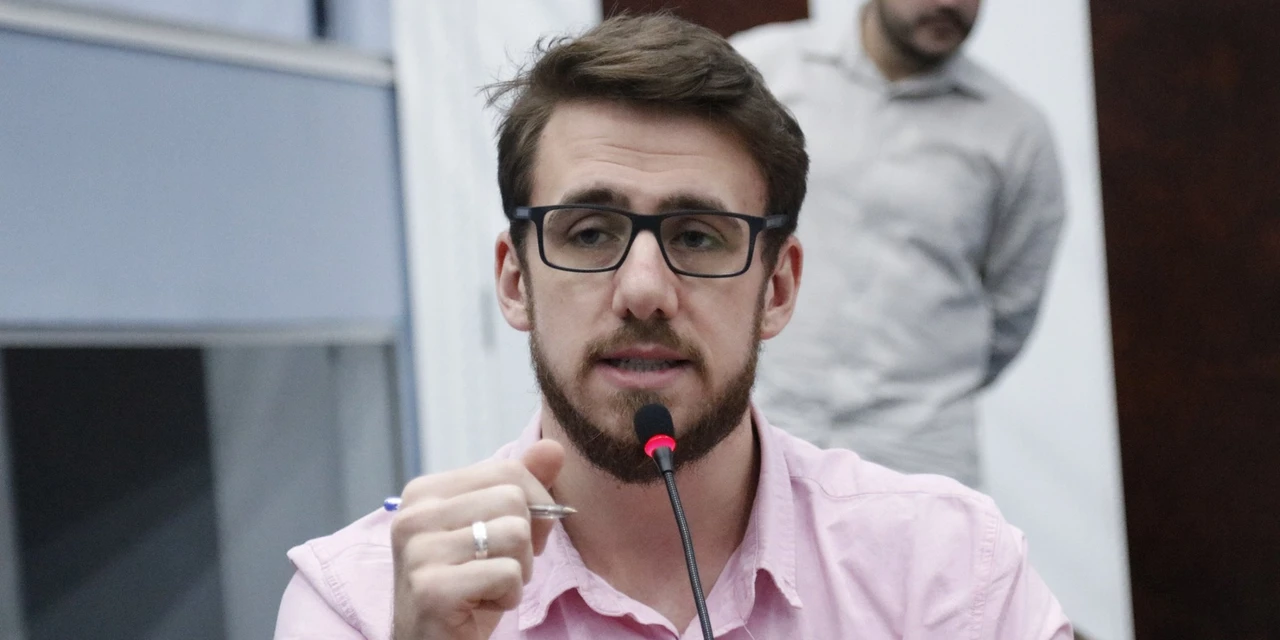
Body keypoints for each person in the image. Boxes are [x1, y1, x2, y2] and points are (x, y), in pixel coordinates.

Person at [274, 14, 1071, 639]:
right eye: (590, 233)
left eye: (697, 237)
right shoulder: (366, 602)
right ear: (516, 282)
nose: (645, 291)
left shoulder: (953, 572)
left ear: (778, 288)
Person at [731, 1, 1067, 487]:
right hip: (760, 422)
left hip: (918, 450)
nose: (949, 4)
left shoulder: (1016, 132)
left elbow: (1013, 304)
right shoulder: (765, 70)